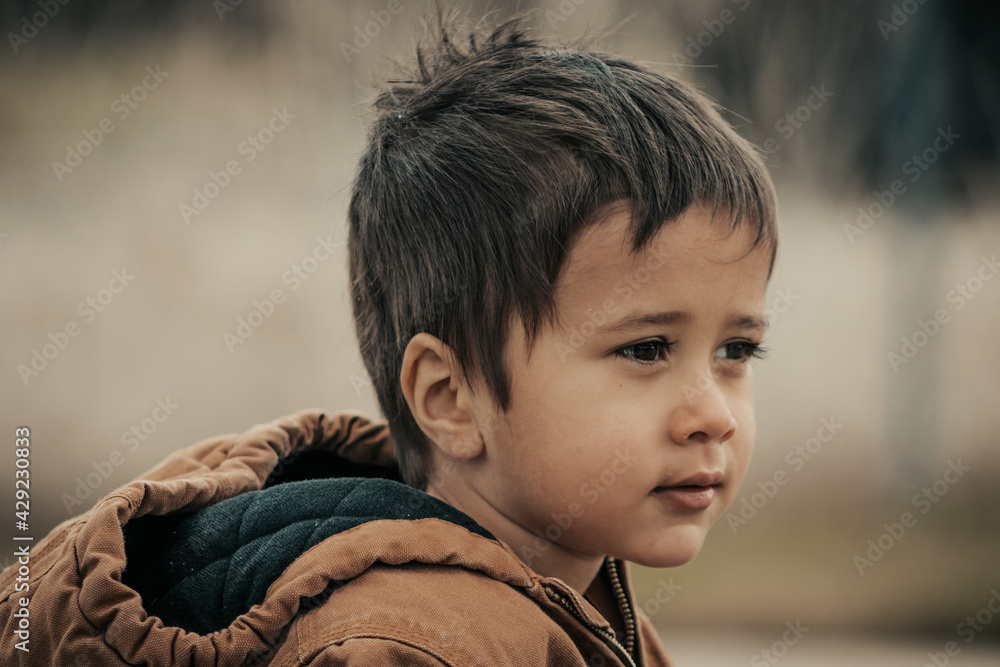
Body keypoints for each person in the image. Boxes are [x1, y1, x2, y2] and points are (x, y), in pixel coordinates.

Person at [0, 7, 778, 666]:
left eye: (736, 350)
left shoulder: (573, 591)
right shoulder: (409, 643)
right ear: (450, 398)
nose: (714, 414)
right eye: (645, 349)